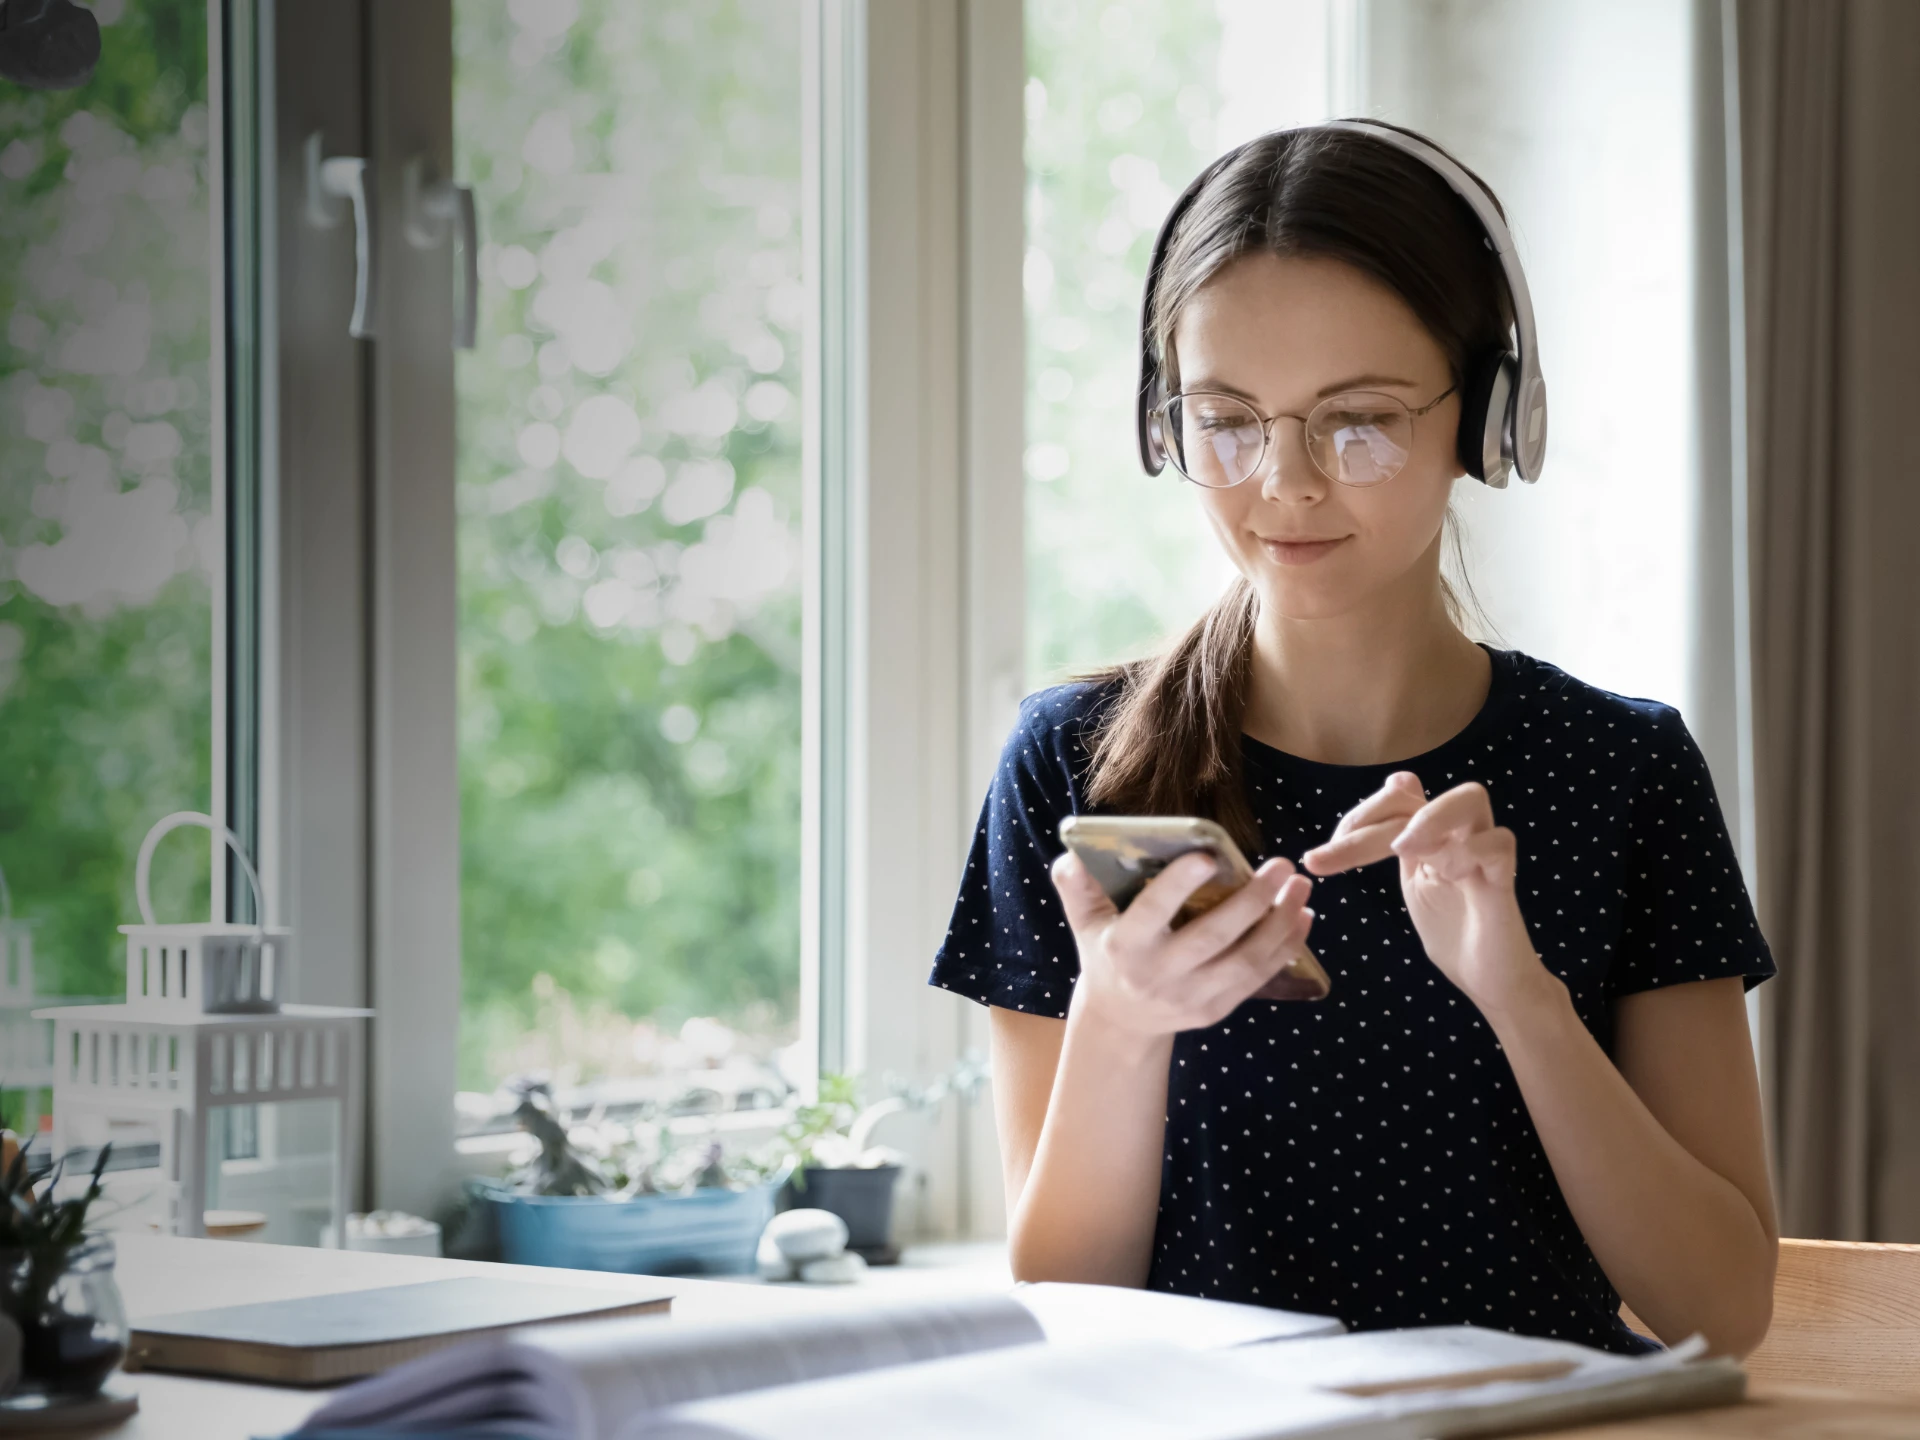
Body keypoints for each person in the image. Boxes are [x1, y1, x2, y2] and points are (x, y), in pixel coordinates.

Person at [928, 123, 1777, 1358]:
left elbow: (1725, 1309)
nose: (1285, 484)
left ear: (1486, 421)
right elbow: (1065, 1300)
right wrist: (1123, 1020)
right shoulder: (1073, 765)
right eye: (1226, 420)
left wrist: (1520, 998)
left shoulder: (1626, 774)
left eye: (1358, 420)